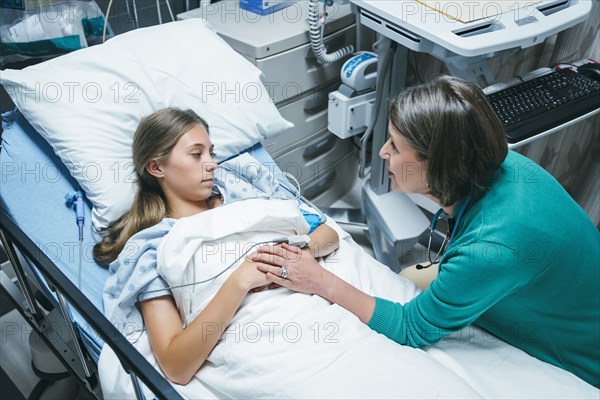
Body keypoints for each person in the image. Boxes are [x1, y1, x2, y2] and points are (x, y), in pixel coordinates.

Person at [253, 75, 600, 388]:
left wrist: (318, 281)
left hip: (580, 361)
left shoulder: (490, 247)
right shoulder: (503, 163)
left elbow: (410, 328)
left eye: (395, 146)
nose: (383, 153)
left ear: (438, 163)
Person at [94, 107, 339, 385]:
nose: (212, 164)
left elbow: (328, 233)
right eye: (197, 154)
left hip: (321, 310)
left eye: (212, 153)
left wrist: (295, 258)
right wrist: (240, 281)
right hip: (264, 345)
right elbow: (176, 365)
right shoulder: (153, 247)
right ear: (157, 167)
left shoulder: (242, 189)